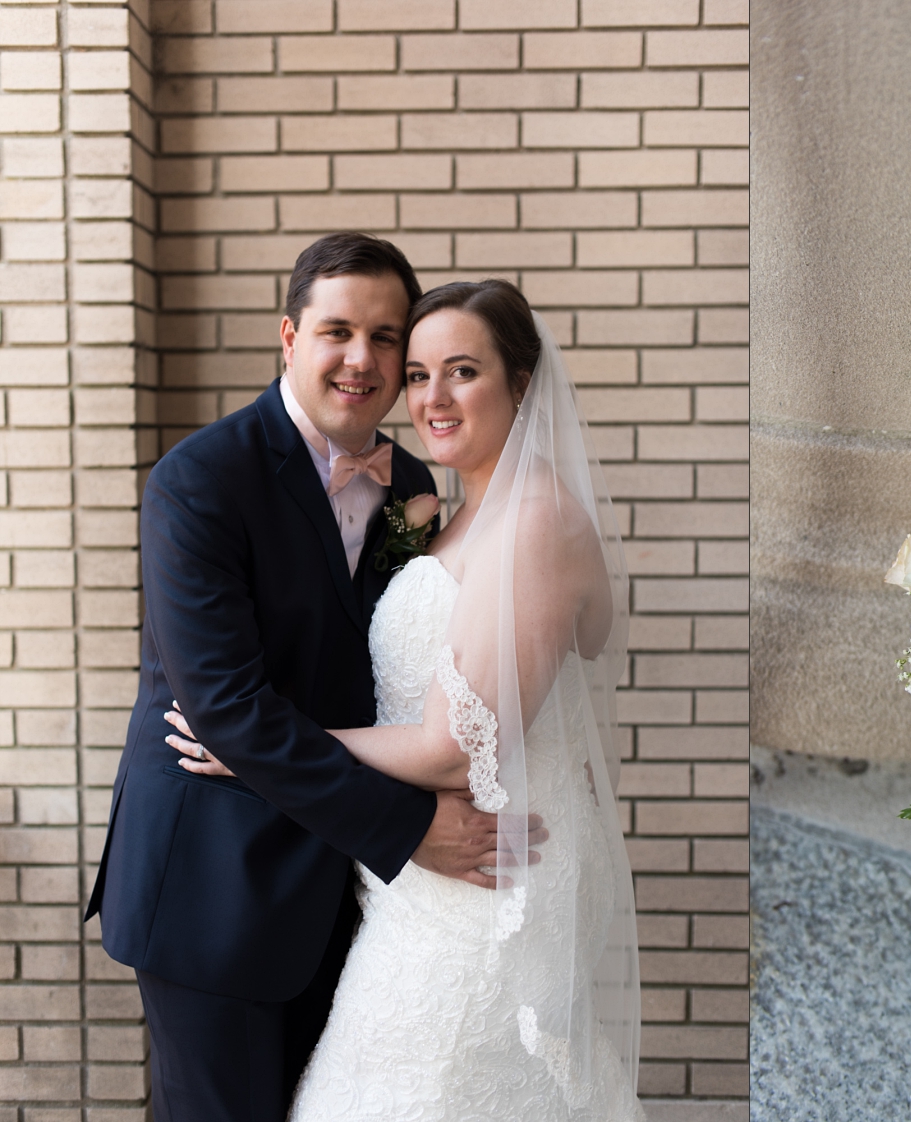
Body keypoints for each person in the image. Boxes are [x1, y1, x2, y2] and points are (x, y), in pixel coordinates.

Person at [84, 234, 539, 1121]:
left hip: (352, 901)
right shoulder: (199, 482)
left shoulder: (416, 484)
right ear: (290, 337)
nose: (361, 359)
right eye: (338, 331)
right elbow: (226, 710)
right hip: (218, 891)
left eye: (385, 338)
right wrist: (409, 830)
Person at [166, 280, 646, 1120]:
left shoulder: (537, 521)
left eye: (463, 371)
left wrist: (264, 738)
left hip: (493, 863)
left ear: (523, 384)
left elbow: (453, 745)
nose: (432, 397)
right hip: (415, 873)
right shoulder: (440, 511)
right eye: (419, 374)